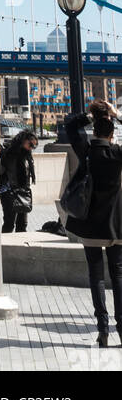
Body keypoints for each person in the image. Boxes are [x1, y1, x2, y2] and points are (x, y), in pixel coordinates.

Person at [64, 100, 122, 347]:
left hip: (90, 225)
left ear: (95, 131)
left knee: (96, 275)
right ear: (111, 133)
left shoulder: (86, 150)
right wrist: (117, 114)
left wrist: (90, 115)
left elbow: (70, 125)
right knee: (118, 275)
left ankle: (103, 329)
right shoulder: (117, 153)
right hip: (116, 225)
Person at [0, 129, 37, 232]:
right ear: (23, 141)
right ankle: (5, 247)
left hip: (23, 192)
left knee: (22, 224)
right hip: (9, 192)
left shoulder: (27, 156)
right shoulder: (9, 153)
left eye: (34, 146)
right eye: (31, 145)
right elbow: (1, 171)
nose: (32, 148)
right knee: (9, 223)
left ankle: (21, 246)